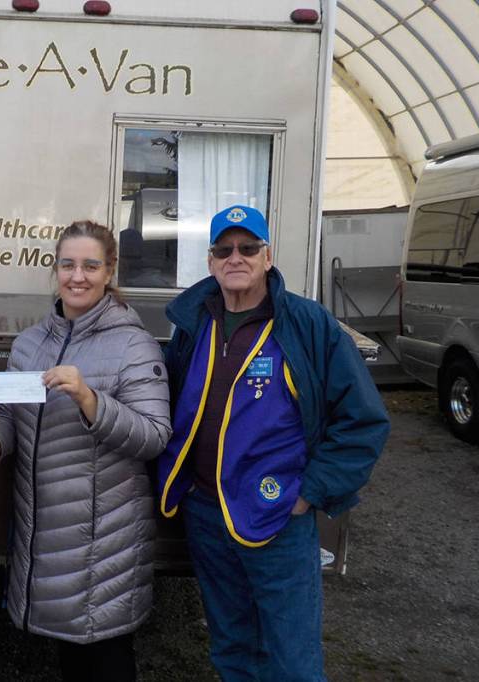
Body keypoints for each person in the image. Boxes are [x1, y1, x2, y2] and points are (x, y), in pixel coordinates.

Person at [156, 205, 390, 681]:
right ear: (210, 261)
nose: (235, 257)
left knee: (292, 660)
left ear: (268, 256)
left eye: (248, 247)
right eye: (224, 249)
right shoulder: (194, 323)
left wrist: (310, 493)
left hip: (278, 516)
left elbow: (363, 421)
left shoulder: (306, 324)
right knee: (232, 647)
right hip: (206, 514)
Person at [0, 221, 172, 682]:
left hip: (106, 541)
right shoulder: (31, 342)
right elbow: (12, 421)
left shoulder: (133, 346)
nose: (77, 276)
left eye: (90, 265)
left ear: (109, 271)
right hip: (46, 537)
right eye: (68, 264)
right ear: (55, 269)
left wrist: (89, 399)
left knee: (106, 659)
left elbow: (154, 436)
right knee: (73, 661)